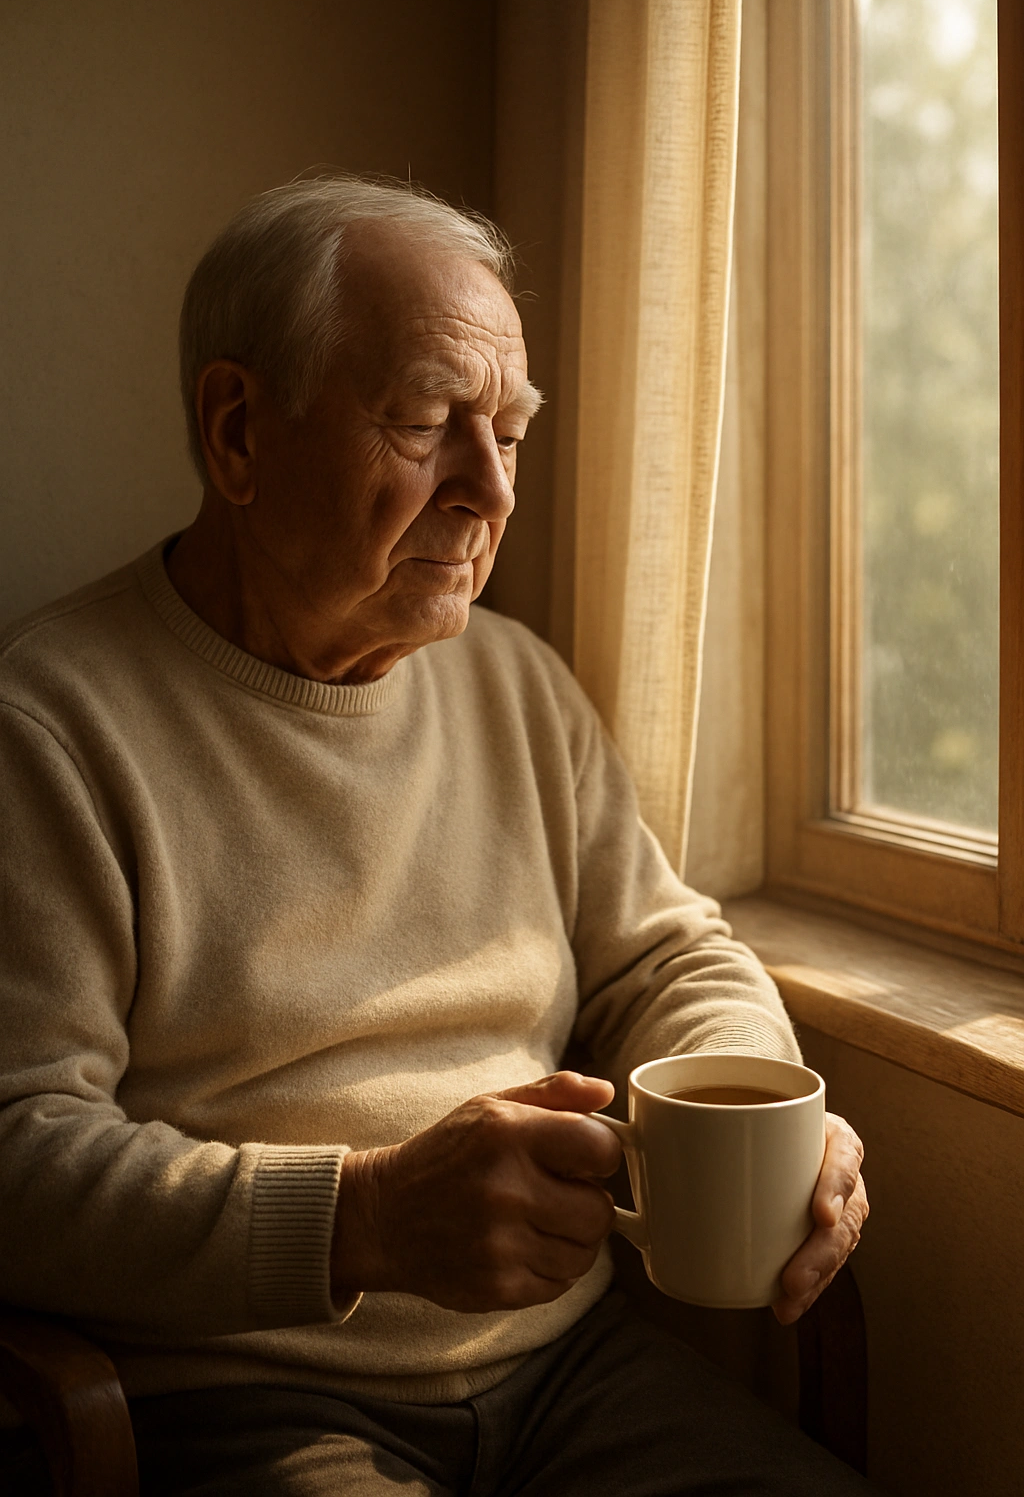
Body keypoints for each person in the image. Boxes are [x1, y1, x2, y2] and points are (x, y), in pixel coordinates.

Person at [0, 176, 870, 1495]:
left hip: (574, 1373)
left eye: (509, 435)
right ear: (237, 433)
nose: (488, 492)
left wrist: (752, 1106)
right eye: (423, 423)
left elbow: (666, 955)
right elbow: (19, 1158)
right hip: (243, 1398)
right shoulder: (52, 727)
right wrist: (358, 1224)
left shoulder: (517, 685)